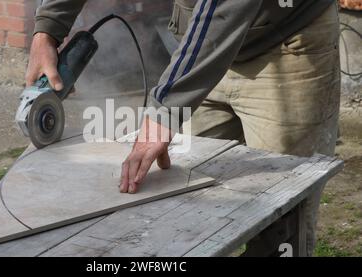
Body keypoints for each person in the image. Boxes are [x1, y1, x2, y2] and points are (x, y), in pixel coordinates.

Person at [26, 0, 341, 256]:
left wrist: (166, 110)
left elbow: (226, 7)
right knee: (186, 209)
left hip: (285, 43)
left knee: (281, 215)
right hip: (196, 46)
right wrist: (48, 30)